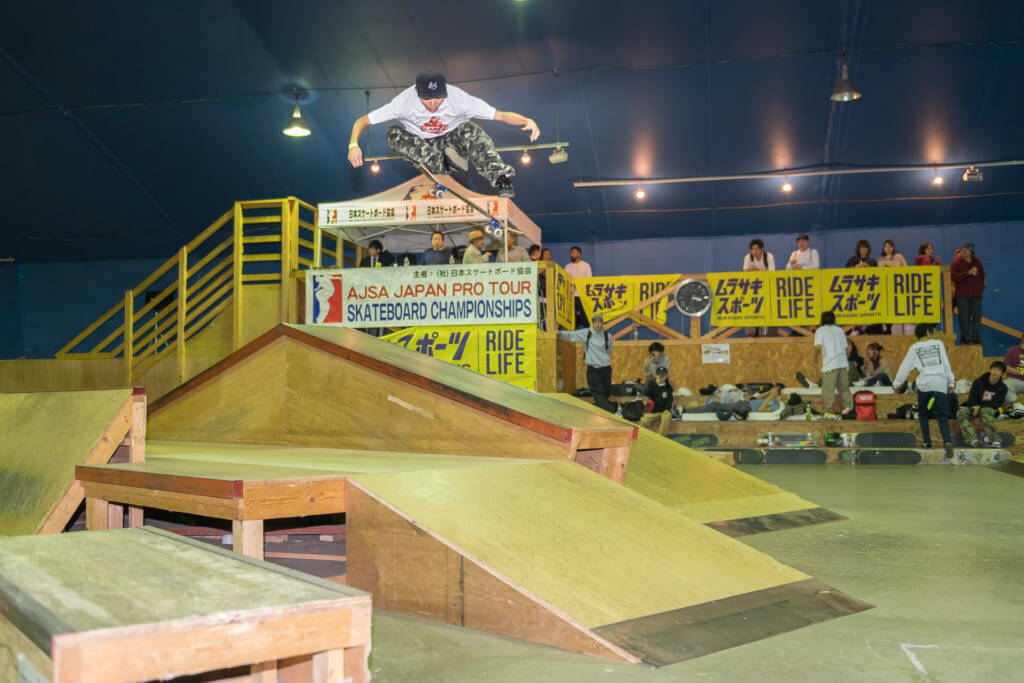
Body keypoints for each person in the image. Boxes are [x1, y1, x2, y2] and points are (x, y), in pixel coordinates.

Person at [347, 73, 539, 198]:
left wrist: (526, 120)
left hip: (451, 141)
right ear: (417, 94)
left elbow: (500, 115)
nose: (433, 104)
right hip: (423, 146)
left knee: (471, 129)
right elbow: (362, 121)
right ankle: (444, 164)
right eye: (427, 99)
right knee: (393, 133)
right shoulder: (402, 102)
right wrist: (353, 144)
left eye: (438, 98)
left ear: (445, 92)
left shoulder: (460, 99)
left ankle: (500, 178)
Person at [893, 323, 956, 455]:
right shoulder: (938, 344)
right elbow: (946, 364)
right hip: (939, 383)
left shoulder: (914, 348)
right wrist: (951, 382)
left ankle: (927, 441)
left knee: (923, 413)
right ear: (927, 332)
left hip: (924, 384)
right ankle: (947, 441)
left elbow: (905, 368)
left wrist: (897, 384)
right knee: (942, 415)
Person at [559, 313, 615, 413]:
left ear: (602, 323)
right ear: (592, 323)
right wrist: (560, 333)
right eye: (595, 322)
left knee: (606, 393)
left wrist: (603, 359)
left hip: (606, 368)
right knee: (597, 392)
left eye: (600, 322)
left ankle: (604, 410)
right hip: (593, 369)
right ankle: (610, 413)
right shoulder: (586, 333)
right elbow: (572, 335)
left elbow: (609, 350)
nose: (597, 324)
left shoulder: (608, 336)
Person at [956, 361, 1008, 447]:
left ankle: (995, 440)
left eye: (998, 370)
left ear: (1002, 373)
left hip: (990, 409)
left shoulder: (1003, 387)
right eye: (993, 369)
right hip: (974, 407)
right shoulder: (979, 382)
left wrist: (979, 408)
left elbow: (996, 404)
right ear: (990, 370)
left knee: (985, 410)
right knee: (961, 412)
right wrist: (974, 407)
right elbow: (971, 398)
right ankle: (972, 439)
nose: (995, 372)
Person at [814, 311, 853, 417]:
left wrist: (815, 358)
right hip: (843, 363)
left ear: (822, 319)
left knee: (828, 390)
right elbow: (846, 348)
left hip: (830, 364)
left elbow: (818, 347)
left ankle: (828, 413)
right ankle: (849, 409)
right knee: (844, 389)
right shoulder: (839, 330)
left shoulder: (820, 330)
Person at [950, 242, 985, 345]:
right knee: (964, 318)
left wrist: (980, 290)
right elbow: (952, 277)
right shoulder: (956, 263)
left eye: (966, 249)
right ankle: (965, 339)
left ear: (971, 251)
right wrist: (967, 273)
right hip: (962, 296)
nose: (964, 251)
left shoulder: (977, 262)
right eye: (962, 249)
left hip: (976, 296)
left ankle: (976, 339)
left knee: (977, 317)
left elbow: (982, 277)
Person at [877, 239, 912, 334]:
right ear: (883, 248)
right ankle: (887, 329)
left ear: (893, 247)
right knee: (887, 310)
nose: (888, 248)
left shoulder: (899, 257)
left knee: (898, 310)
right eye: (886, 246)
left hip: (898, 289)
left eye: (890, 246)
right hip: (885, 289)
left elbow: (906, 269)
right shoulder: (880, 259)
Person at [639, 367, 674, 435]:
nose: (661, 376)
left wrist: (667, 409)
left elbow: (669, 400)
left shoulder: (669, 386)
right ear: (656, 375)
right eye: (659, 374)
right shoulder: (652, 384)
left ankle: (660, 436)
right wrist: (655, 384)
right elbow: (645, 393)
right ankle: (636, 436)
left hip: (664, 411)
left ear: (666, 376)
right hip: (654, 411)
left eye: (663, 375)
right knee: (643, 420)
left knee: (666, 416)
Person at [565, 246, 592, 329]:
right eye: (570, 252)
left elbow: (589, 281)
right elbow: (565, 281)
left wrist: (578, 285)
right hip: (571, 298)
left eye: (573, 252)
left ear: (579, 254)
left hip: (582, 297)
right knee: (571, 321)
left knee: (586, 320)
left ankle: (589, 335)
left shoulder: (586, 265)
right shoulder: (567, 267)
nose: (571, 254)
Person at [1002, 334, 1024, 402]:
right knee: (1002, 387)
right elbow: (1005, 367)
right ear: (1022, 338)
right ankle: (1017, 403)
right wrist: (1021, 372)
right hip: (1014, 380)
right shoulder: (1012, 350)